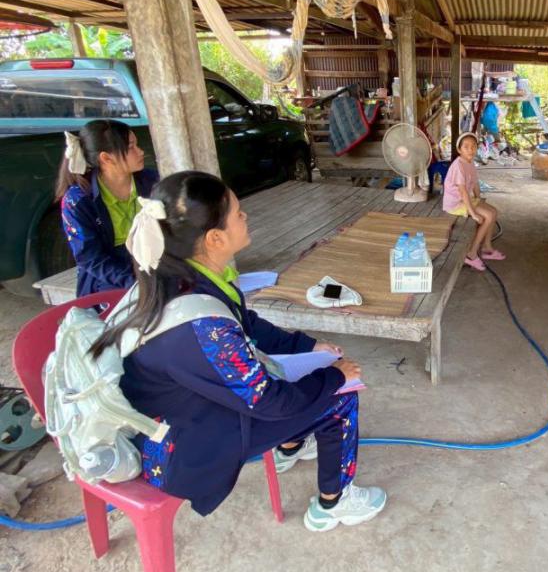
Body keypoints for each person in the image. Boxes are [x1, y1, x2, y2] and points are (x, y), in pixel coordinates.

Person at [91, 171, 386, 530]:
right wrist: (334, 376)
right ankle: (333, 503)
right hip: (175, 452)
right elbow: (269, 401)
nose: (245, 217)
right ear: (214, 238)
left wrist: (307, 346)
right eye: (237, 213)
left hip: (179, 412)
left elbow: (247, 324)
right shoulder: (200, 326)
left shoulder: (178, 276)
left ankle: (290, 447)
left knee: (294, 374)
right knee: (340, 397)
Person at [57, 120, 159, 297]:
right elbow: (91, 259)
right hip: (110, 275)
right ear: (106, 158)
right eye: (131, 147)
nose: (141, 151)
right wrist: (134, 283)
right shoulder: (78, 201)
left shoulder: (153, 181)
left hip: (153, 262)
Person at [444, 133, 505, 271]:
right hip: (455, 203)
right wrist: (473, 213)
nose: (470, 149)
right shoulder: (458, 165)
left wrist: (478, 198)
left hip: (464, 199)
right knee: (487, 216)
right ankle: (471, 254)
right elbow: (463, 192)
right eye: (466, 147)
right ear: (459, 150)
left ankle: (486, 248)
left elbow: (475, 183)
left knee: (493, 212)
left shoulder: (470, 162)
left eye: (473, 146)